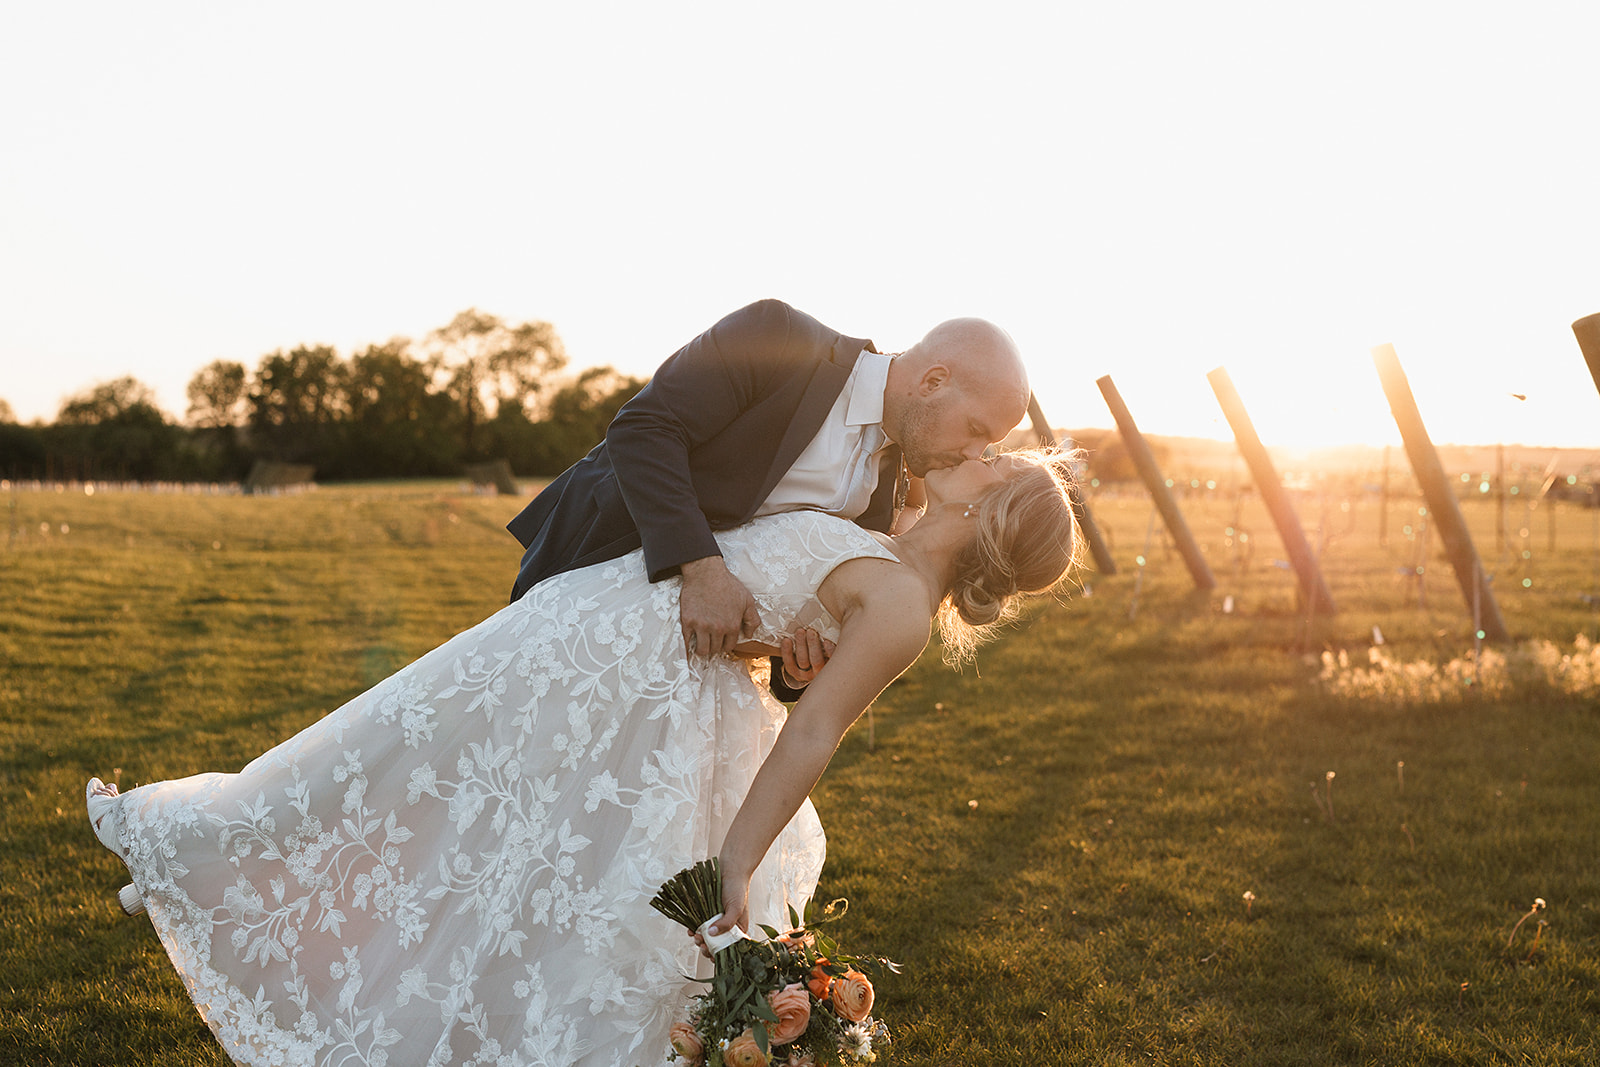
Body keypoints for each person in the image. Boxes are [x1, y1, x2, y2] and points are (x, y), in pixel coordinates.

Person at [86, 448, 1080, 1067]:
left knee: (486, 822)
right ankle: (217, 858)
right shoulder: (883, 544)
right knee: (401, 753)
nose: (979, 450)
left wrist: (735, 859)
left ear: (995, 500)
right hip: (595, 636)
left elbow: (814, 731)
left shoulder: (905, 610)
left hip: (635, 689)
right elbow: (773, 619)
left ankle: (214, 866)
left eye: (997, 458)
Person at [505, 298, 1032, 696]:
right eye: (976, 429)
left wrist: (797, 667)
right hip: (584, 580)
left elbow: (783, 594)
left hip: (677, 680)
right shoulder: (777, 334)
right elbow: (644, 429)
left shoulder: (889, 491)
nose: (973, 453)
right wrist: (702, 570)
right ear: (934, 381)